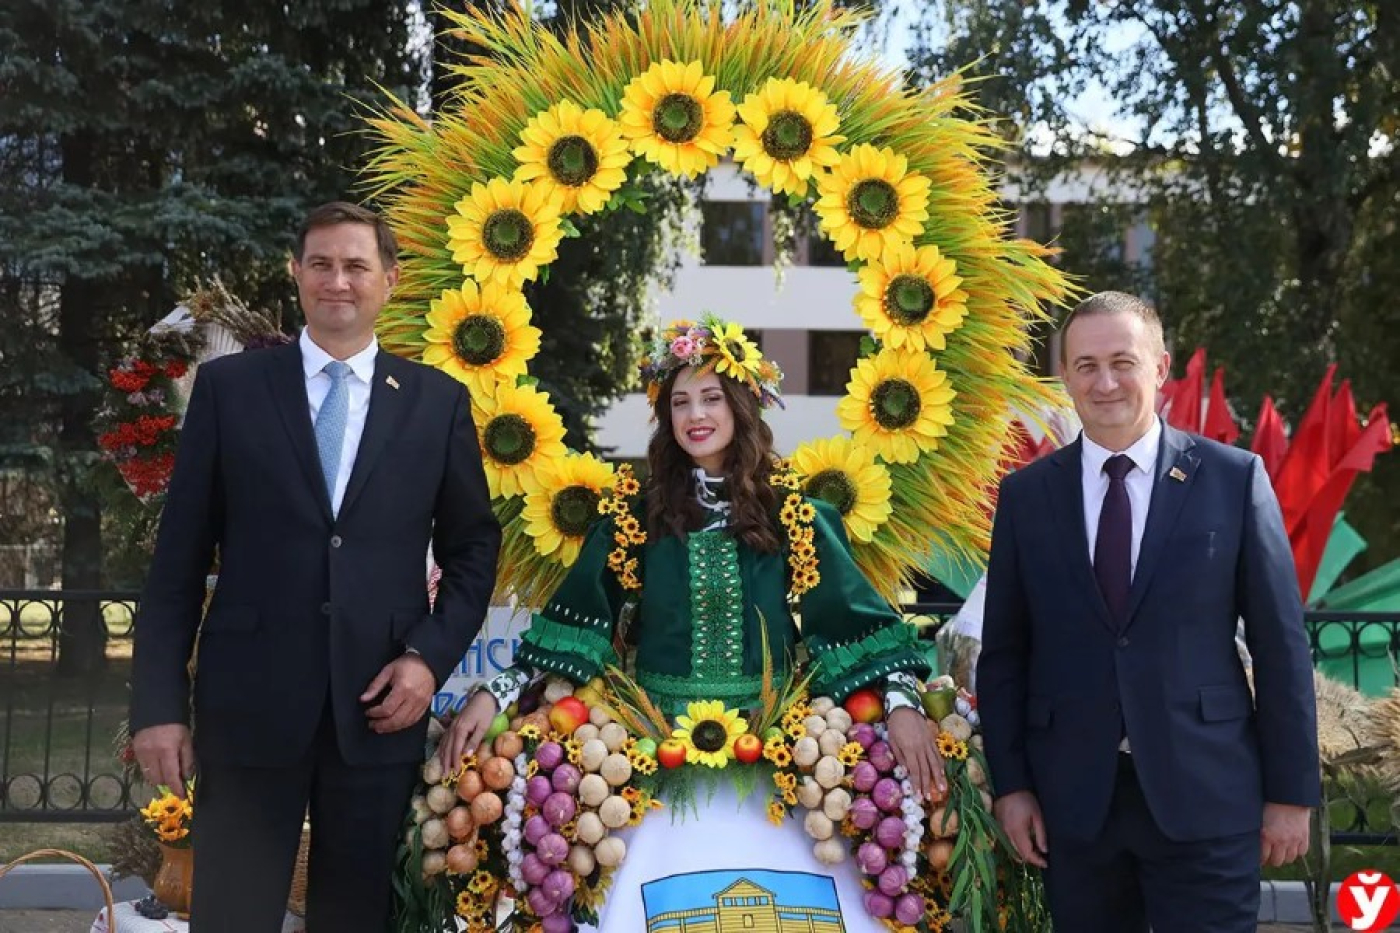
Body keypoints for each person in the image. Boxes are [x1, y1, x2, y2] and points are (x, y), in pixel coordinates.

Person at [439, 315, 944, 930]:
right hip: (649, 760)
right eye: (680, 402)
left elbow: (849, 622)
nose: (695, 414)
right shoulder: (633, 516)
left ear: (740, 407)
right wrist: (497, 693)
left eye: (710, 398)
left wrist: (900, 703)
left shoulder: (797, 516)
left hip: (777, 756)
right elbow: (575, 631)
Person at [129, 202, 502, 932]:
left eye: (357, 265)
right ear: (296, 273)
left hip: (378, 707)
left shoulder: (437, 403)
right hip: (248, 707)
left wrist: (427, 658)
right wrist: (158, 706)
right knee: (232, 914)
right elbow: (177, 559)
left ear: (389, 281)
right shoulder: (230, 390)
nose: (339, 280)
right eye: (322, 263)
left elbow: (472, 550)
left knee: (356, 919)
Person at [977, 291, 1320, 932]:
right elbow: (1005, 655)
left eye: (1121, 362)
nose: (1104, 382)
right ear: (1065, 377)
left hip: (1208, 796)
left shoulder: (1233, 479)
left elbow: (1281, 647)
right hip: (1073, 808)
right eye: (1085, 366)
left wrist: (1291, 793)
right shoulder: (1026, 495)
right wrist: (1012, 786)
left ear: (1160, 368)